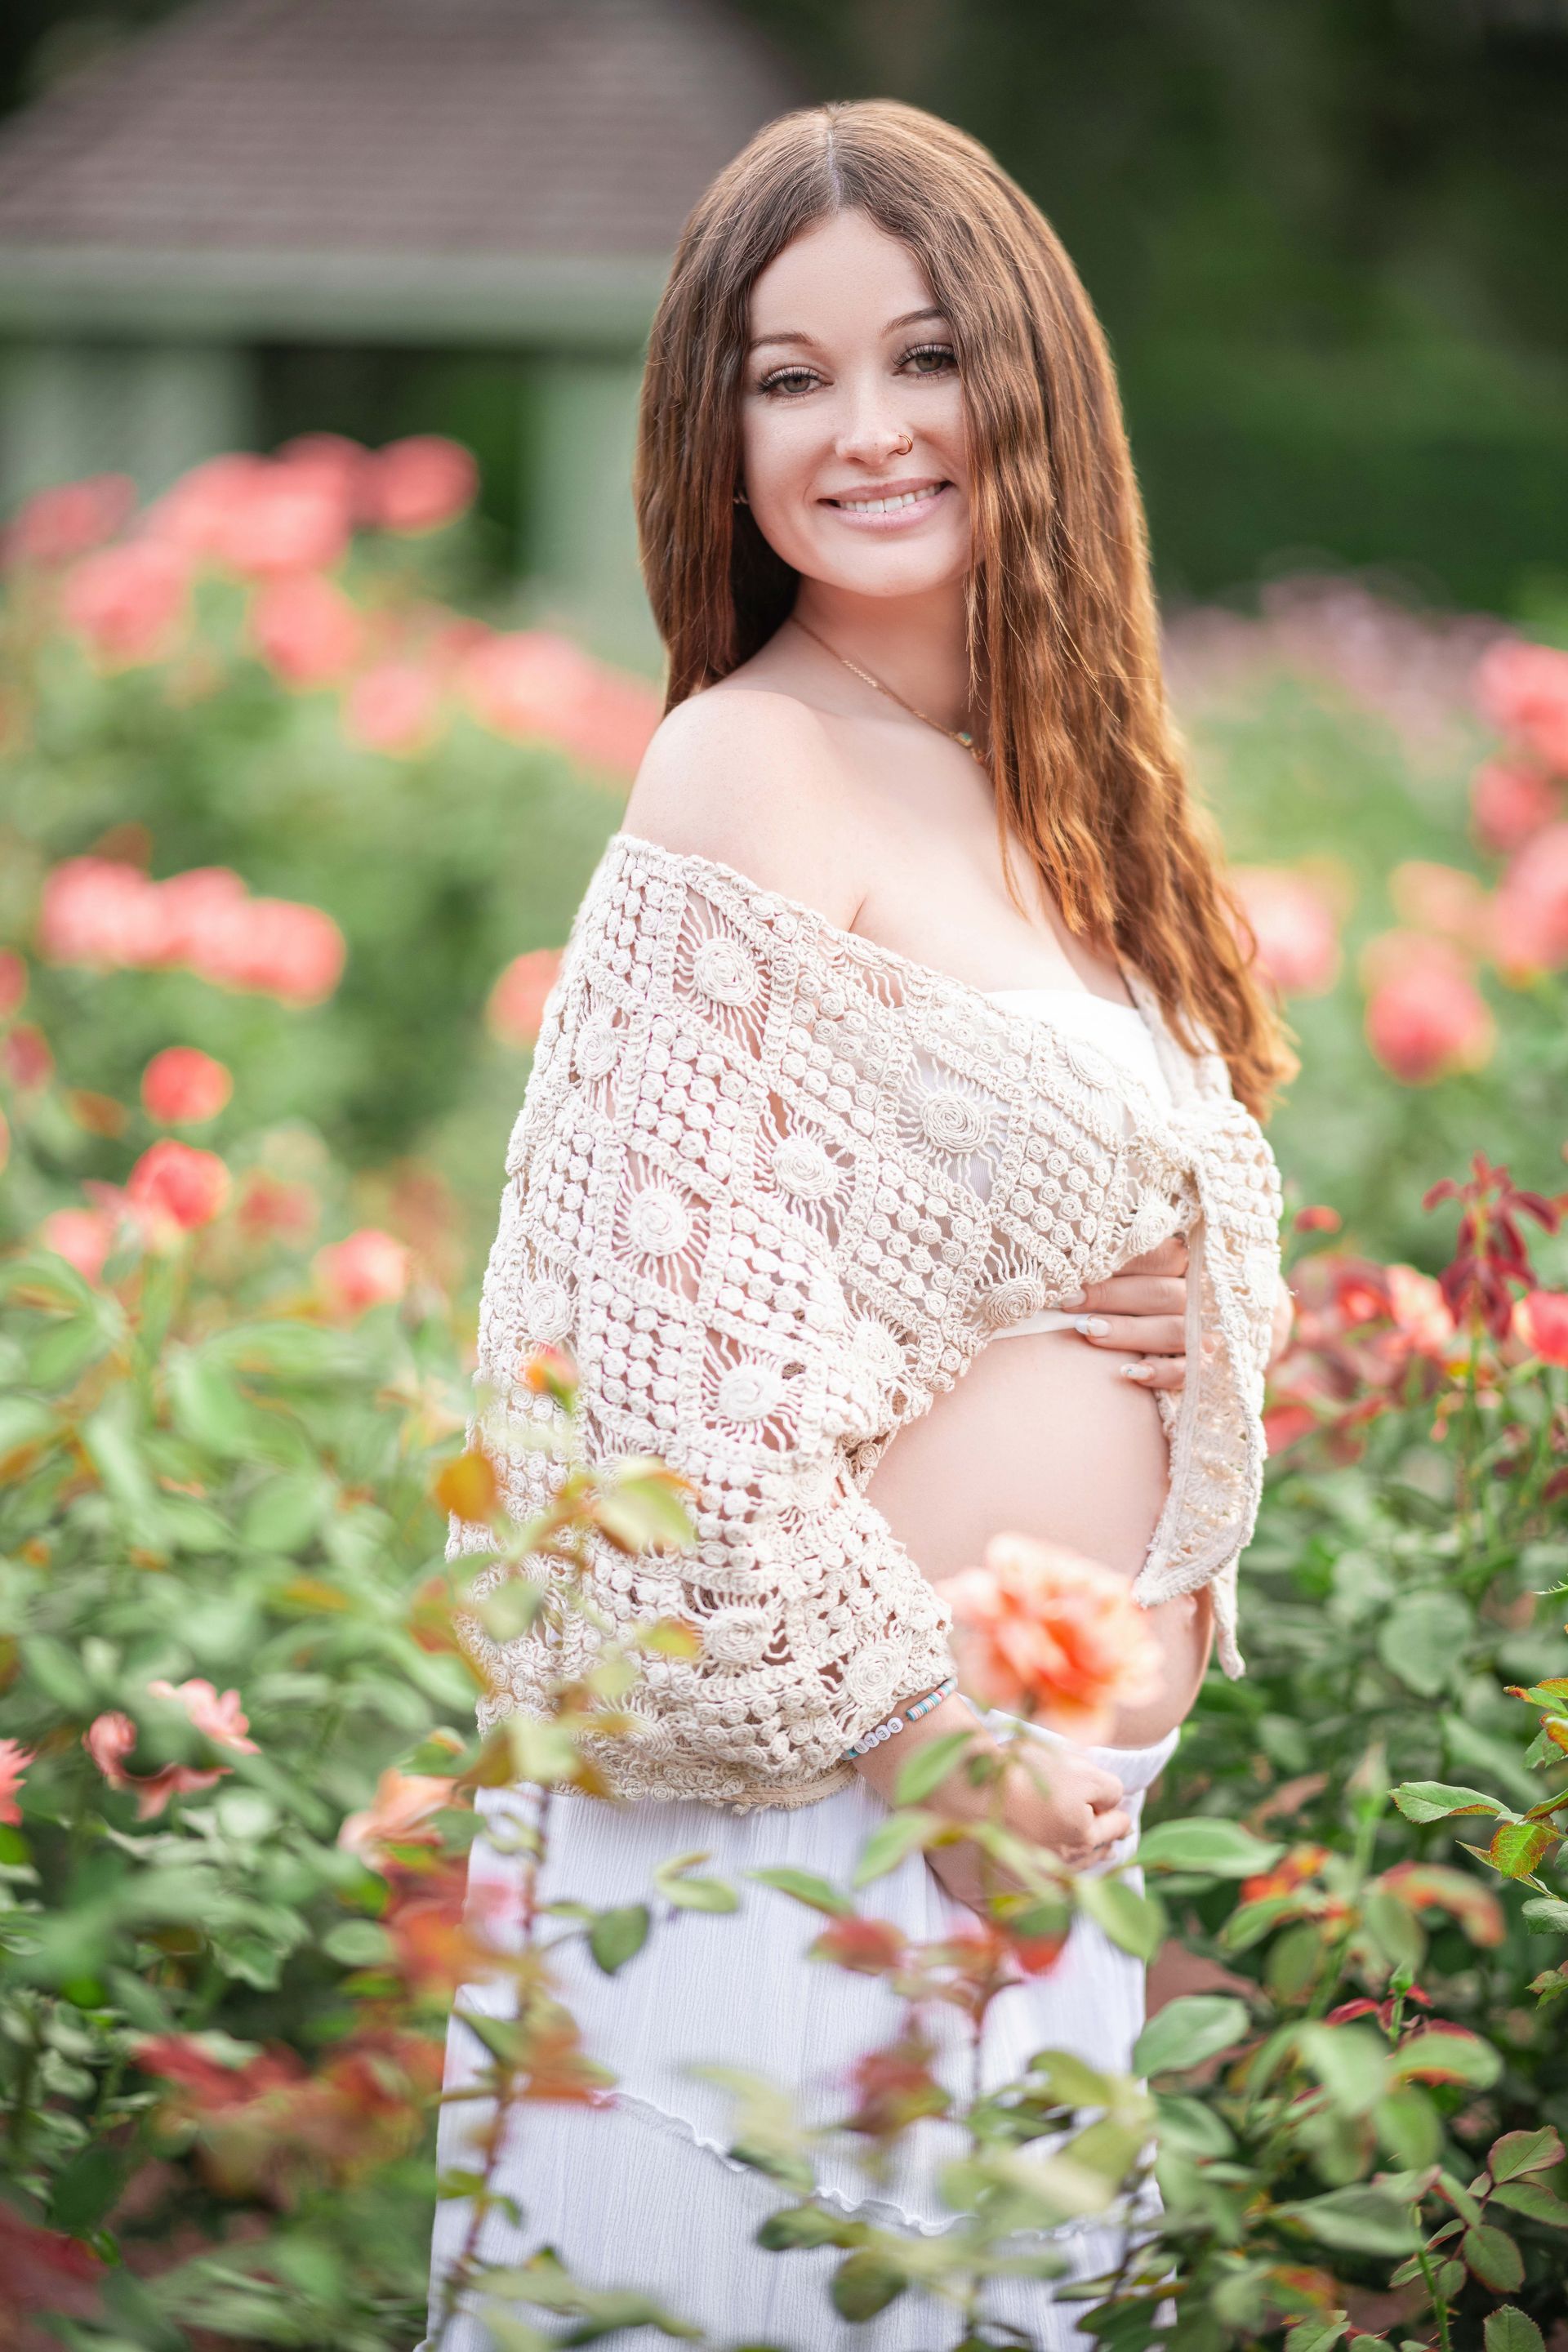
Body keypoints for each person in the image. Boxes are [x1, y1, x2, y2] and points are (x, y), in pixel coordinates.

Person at [422, 98, 1294, 2350]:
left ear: (1035, 381)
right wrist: (943, 1751)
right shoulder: (749, 763)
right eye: (789, 378)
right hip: (801, 1831)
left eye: (923, 358)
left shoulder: (1058, 786)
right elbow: (625, 1406)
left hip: (1006, 1840)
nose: (867, 429)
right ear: (714, 439)